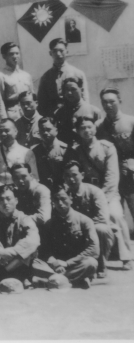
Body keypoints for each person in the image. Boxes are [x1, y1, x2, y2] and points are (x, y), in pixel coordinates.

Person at [0, 185, 40, 289]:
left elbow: (33, 240)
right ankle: (18, 278)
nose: (5, 203)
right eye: (1, 200)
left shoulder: (25, 219)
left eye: (8, 199)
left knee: (29, 248)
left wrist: (10, 252)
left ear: (16, 201)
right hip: (0, 260)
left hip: (18, 261)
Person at [33, 187, 98, 289]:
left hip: (76, 264)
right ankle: (75, 280)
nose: (60, 203)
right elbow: (44, 249)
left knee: (91, 263)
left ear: (71, 199)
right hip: (56, 267)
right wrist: (55, 263)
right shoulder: (49, 224)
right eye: (56, 200)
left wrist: (67, 263)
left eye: (63, 199)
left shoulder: (85, 221)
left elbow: (94, 249)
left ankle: (52, 281)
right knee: (34, 263)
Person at [62, 160, 116, 277]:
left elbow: (102, 217)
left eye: (74, 175)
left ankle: (101, 265)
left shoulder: (95, 192)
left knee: (101, 229)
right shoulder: (64, 195)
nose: (71, 179)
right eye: (67, 175)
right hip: (74, 232)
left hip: (91, 229)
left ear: (82, 175)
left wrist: (84, 227)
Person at [97, 87, 134, 227]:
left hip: (130, 175)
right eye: (104, 102)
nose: (108, 105)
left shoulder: (131, 122)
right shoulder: (99, 126)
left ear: (120, 101)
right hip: (110, 177)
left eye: (112, 101)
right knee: (115, 216)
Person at [37, 38, 89, 117]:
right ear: (50, 53)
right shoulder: (45, 77)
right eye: (54, 51)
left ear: (67, 52)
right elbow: (42, 103)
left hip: (74, 116)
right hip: (54, 117)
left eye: (61, 50)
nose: (58, 54)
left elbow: (85, 99)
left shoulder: (78, 74)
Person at [53, 77, 102, 146]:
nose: (69, 93)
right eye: (67, 90)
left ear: (82, 90)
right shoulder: (59, 113)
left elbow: (100, 137)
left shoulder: (94, 111)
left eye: (73, 89)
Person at [0, 43, 34, 121]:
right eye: (11, 54)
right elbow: (0, 100)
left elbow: (33, 96)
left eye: (17, 53)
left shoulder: (26, 75)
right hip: (13, 115)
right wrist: (4, 120)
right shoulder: (0, 76)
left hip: (28, 112)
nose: (15, 56)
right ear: (4, 56)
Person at [0, 119, 39, 184]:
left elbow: (34, 178)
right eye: (1, 131)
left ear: (15, 131)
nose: (3, 134)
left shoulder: (26, 152)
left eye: (7, 130)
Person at [10, 163, 52, 227]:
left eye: (24, 176)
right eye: (16, 178)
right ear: (12, 179)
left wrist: (19, 219)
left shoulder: (41, 190)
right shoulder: (14, 192)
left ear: (31, 176)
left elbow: (43, 217)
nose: (20, 181)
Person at [31, 117, 67, 189]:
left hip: (62, 188)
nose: (45, 133)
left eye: (48, 129)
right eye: (42, 130)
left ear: (56, 131)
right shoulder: (34, 151)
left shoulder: (65, 150)